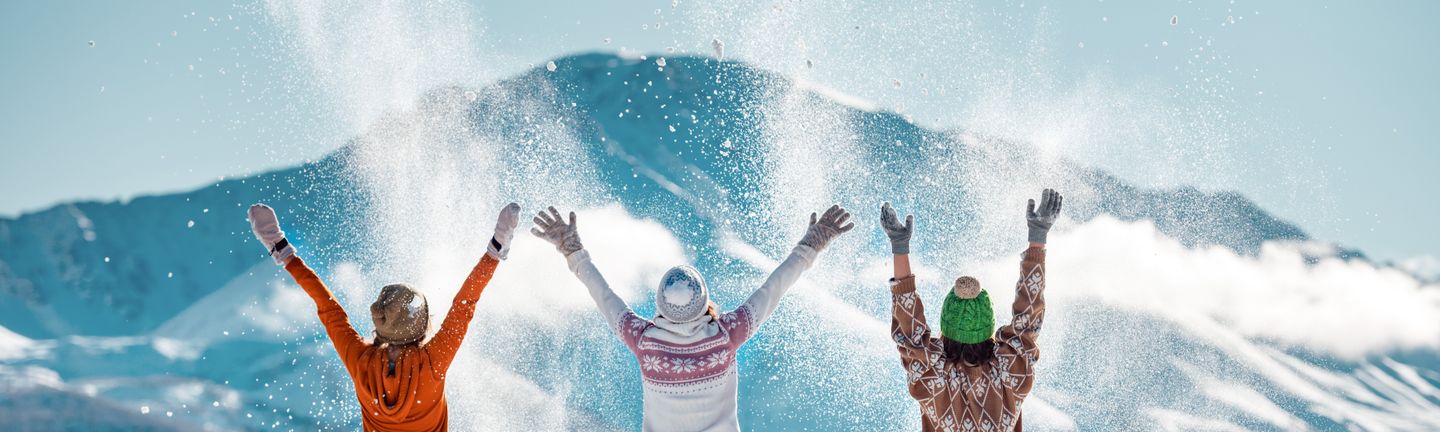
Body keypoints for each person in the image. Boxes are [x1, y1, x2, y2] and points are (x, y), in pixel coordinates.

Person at [529, 205, 854, 431]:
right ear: (704, 302)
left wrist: (572, 249)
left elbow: (604, 295)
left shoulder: (643, 341)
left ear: (660, 303)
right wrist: (812, 244)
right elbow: (773, 289)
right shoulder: (727, 334)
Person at [246, 202, 521, 432]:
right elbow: (465, 305)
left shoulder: (361, 361)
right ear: (422, 324)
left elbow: (327, 308)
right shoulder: (432, 362)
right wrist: (495, 250)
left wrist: (280, 247)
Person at [883, 189, 1062, 431]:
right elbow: (1028, 318)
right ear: (986, 326)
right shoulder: (1009, 373)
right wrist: (1038, 236)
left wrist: (899, 246)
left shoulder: (933, 378)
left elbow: (910, 330)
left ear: (947, 327)